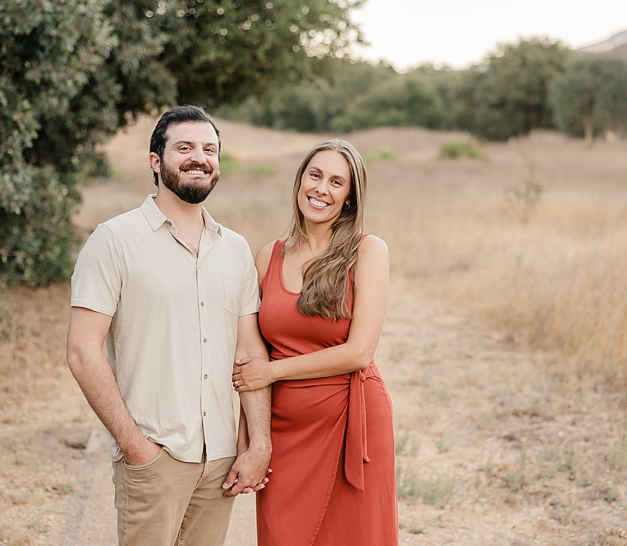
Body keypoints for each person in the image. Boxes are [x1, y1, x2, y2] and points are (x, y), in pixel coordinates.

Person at [66, 105, 272, 546]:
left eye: (210, 150)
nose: (200, 158)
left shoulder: (235, 249)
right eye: (185, 148)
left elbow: (250, 354)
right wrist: (135, 446)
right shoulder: (114, 240)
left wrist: (259, 443)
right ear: (155, 161)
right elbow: (82, 352)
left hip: (219, 459)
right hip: (154, 455)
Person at [233, 139, 398, 545]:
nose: (322, 189)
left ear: (349, 198)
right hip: (284, 430)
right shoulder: (267, 256)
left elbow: (359, 352)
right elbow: (249, 355)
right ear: (300, 181)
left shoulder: (368, 252)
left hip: (351, 422)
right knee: (281, 534)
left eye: (336, 182)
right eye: (315, 175)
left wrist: (272, 372)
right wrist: (247, 441)